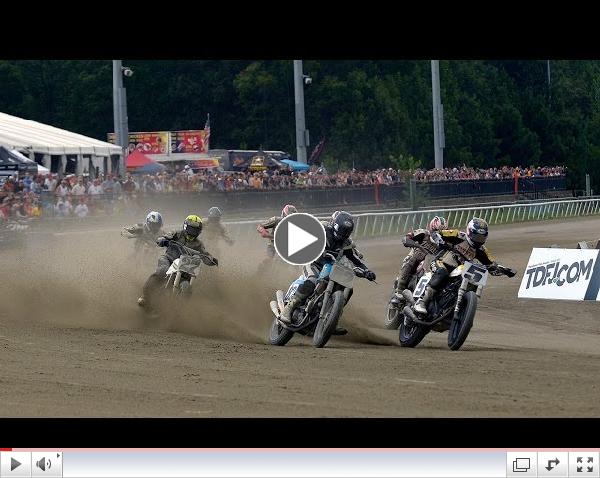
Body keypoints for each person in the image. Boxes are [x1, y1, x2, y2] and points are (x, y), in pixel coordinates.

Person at [279, 211, 376, 335]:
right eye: (342, 231)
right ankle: (289, 308)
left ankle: (331, 319)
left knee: (348, 289)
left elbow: (354, 258)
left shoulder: (346, 243)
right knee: (313, 280)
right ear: (335, 226)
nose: (344, 234)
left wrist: (366, 270)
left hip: (331, 267)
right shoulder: (322, 230)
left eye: (346, 232)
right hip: (313, 263)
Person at [413, 218, 496, 315]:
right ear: (469, 232)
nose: (478, 240)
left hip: (461, 270)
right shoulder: (458, 235)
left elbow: (491, 263)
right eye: (476, 236)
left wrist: (502, 269)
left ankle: (458, 307)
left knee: (471, 282)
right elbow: (437, 233)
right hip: (442, 262)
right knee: (442, 273)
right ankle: (422, 301)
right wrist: (440, 240)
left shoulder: (482, 250)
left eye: (481, 237)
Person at [138, 214, 218, 308]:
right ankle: (145, 296)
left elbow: (204, 254)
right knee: (163, 270)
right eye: (191, 228)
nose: (193, 231)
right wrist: (163, 240)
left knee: (190, 284)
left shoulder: (199, 244)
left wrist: (211, 259)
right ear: (185, 226)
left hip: (186, 266)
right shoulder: (176, 233)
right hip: (169, 259)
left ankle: (180, 308)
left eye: (195, 230)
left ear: (199, 231)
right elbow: (165, 237)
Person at [393, 216, 448, 299]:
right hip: (415, 257)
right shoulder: (423, 233)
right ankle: (400, 288)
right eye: (436, 231)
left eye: (440, 232)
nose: (437, 235)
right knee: (414, 258)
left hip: (430, 263)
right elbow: (406, 238)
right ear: (432, 227)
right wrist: (412, 243)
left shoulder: (443, 243)